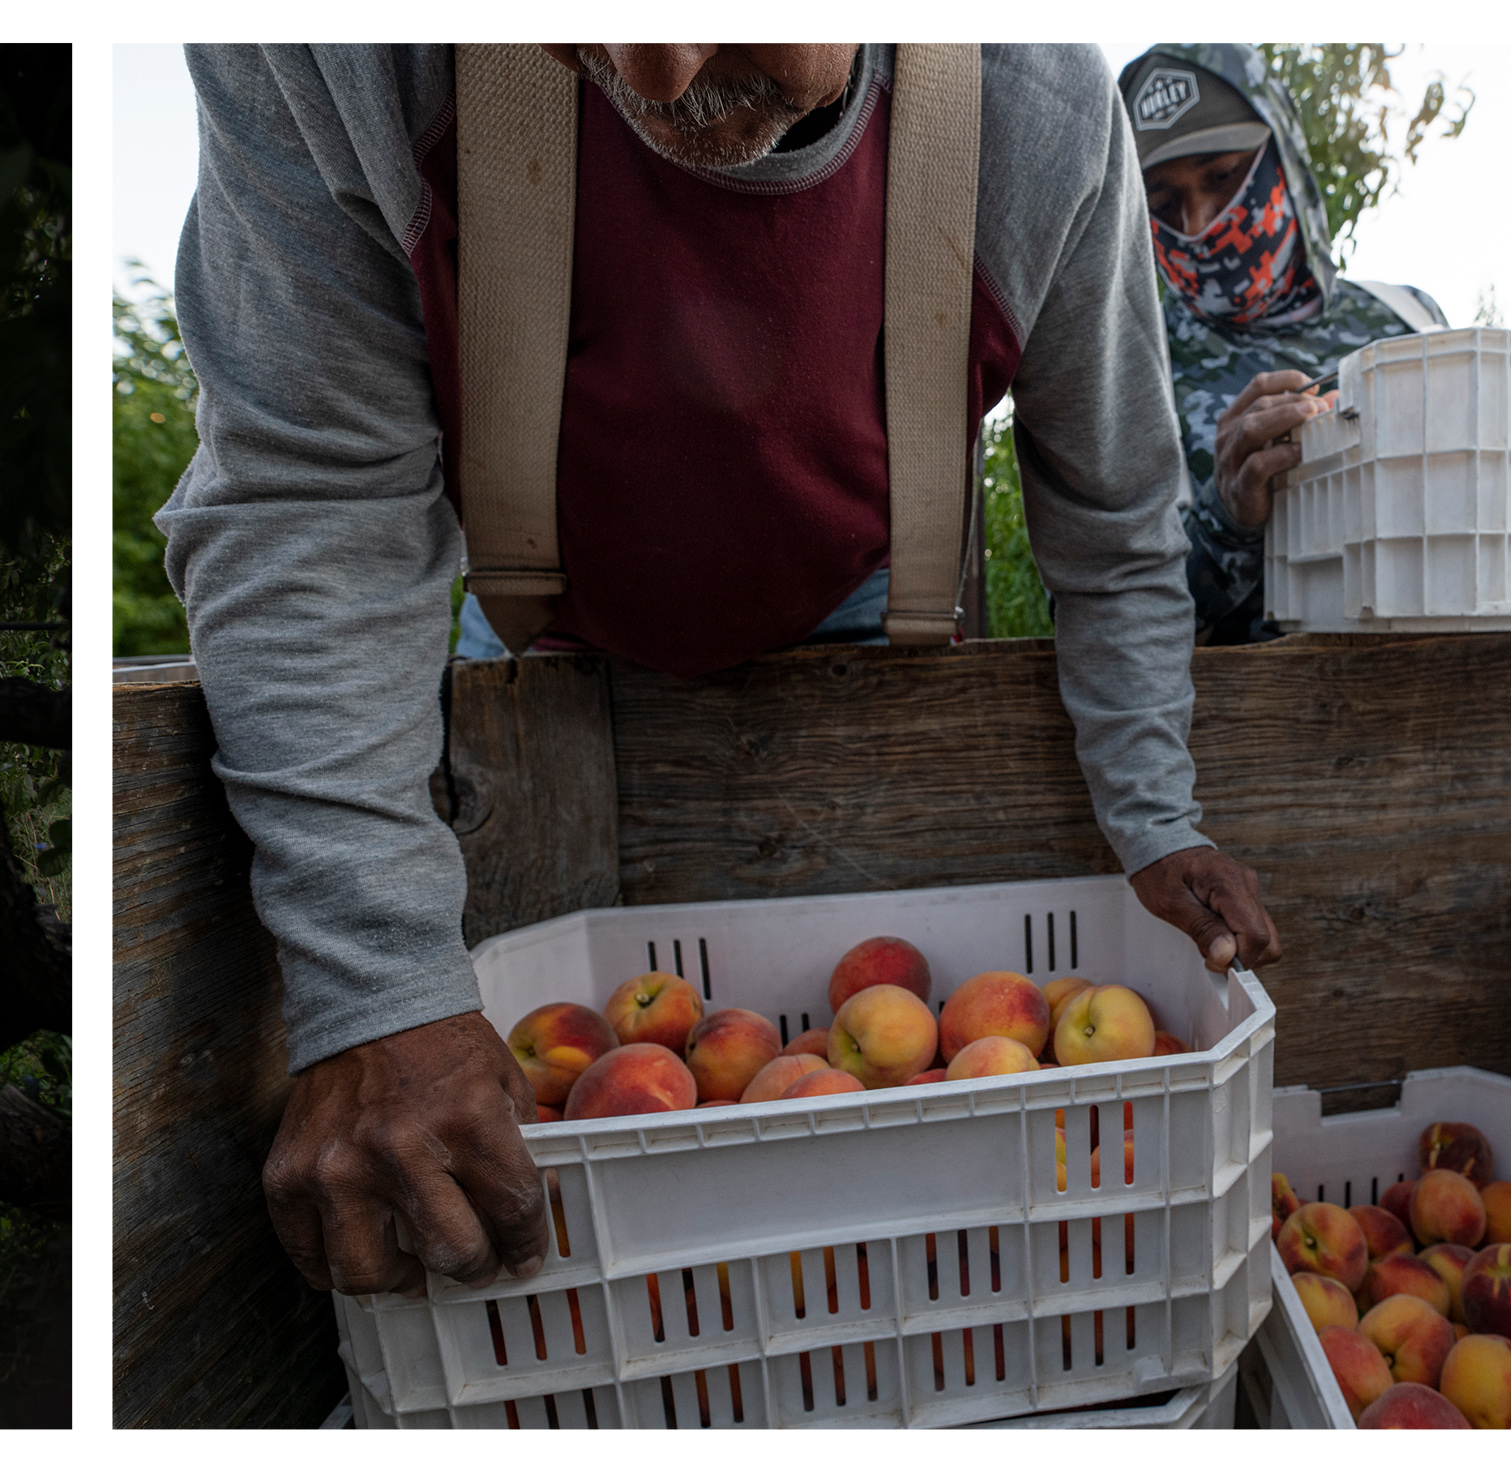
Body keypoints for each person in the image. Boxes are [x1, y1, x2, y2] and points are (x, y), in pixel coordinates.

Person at [159, 43, 1288, 1300]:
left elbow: (1115, 517)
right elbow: (311, 497)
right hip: (531, 613)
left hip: (858, 598)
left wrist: (1153, 811)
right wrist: (375, 983)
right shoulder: (345, 49)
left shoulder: (1037, 124)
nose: (653, 66)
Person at [1117, 45, 1450, 644]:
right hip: (1256, 729)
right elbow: (1102, 631)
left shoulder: (1409, 319)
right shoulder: (1129, 367)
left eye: (1222, 178)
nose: (1198, 226)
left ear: (1284, 158)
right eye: (1163, 204)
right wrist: (1226, 524)